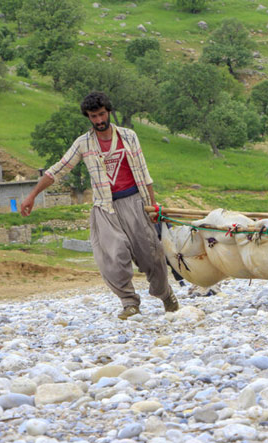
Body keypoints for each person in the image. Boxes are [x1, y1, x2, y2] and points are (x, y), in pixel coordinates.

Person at [20, 91, 179, 319]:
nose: (98, 120)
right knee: (114, 254)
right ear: (88, 117)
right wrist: (32, 194)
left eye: (102, 114)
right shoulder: (83, 143)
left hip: (135, 202)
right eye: (93, 116)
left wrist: (152, 206)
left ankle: (165, 295)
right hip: (105, 208)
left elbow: (145, 174)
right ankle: (129, 302)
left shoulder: (128, 137)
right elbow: (59, 169)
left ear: (109, 112)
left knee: (151, 254)